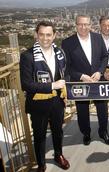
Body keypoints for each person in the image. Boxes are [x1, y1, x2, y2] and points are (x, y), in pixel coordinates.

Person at [20, 21, 70, 171]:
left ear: (54, 35)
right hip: (38, 103)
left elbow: (65, 73)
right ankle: (41, 163)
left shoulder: (60, 53)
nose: (45, 38)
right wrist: (52, 86)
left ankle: (58, 155)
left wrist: (65, 86)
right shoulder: (27, 56)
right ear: (36, 35)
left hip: (57, 101)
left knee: (58, 131)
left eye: (48, 34)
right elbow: (26, 84)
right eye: (41, 34)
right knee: (40, 134)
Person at [62, 15, 109, 146]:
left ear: (90, 25)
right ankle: (86, 133)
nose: (83, 27)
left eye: (86, 24)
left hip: (97, 80)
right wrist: (81, 76)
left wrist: (100, 72)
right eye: (80, 24)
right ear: (76, 25)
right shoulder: (67, 43)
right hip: (80, 82)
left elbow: (104, 57)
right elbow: (67, 67)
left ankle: (103, 132)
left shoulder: (97, 38)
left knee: (102, 108)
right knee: (82, 110)